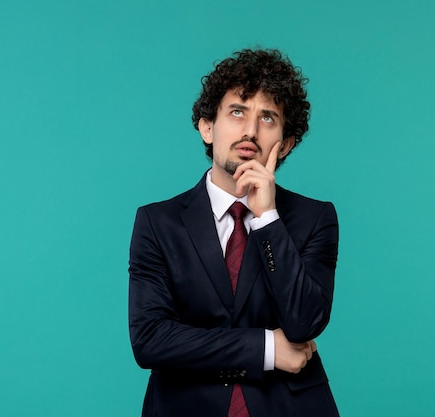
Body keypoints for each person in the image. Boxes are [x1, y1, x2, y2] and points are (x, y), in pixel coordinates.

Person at [128, 48, 339, 417]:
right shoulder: (157, 223)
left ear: (285, 143)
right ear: (207, 127)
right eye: (237, 112)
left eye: (268, 118)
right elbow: (150, 340)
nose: (250, 131)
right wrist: (267, 350)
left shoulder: (314, 218)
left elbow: (304, 322)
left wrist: (267, 219)